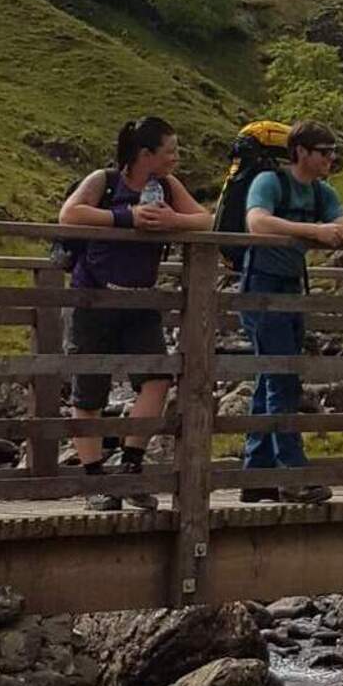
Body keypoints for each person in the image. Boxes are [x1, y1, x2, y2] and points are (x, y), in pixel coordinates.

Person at [57, 116, 214, 511]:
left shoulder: (167, 186)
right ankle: (94, 480)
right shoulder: (103, 181)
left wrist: (174, 221)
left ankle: (130, 467)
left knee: (158, 378)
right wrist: (124, 219)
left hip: (141, 298)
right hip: (93, 297)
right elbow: (70, 215)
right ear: (145, 154)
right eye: (170, 151)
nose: (176, 158)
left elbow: (208, 218)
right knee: (89, 389)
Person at [240, 121, 343, 504]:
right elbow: (256, 221)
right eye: (324, 151)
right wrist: (312, 232)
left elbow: (339, 220)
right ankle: (291, 474)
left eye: (332, 152)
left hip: (292, 286)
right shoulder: (270, 182)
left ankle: (256, 474)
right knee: (282, 377)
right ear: (301, 153)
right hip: (261, 286)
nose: (331, 158)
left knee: (272, 376)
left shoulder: (321, 191)